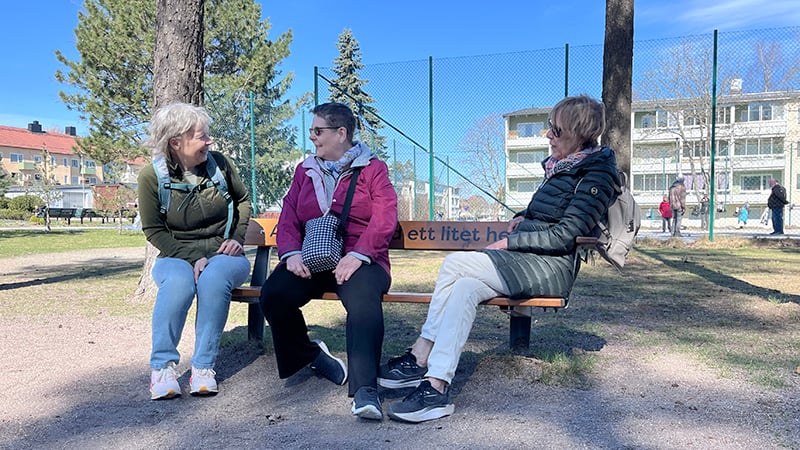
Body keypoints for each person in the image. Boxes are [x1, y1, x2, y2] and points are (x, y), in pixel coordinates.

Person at [378, 95, 619, 423]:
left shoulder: (596, 175)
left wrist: (510, 241)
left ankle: (420, 354)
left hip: (551, 268)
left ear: (579, 134)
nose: (548, 134)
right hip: (530, 261)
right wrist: (524, 215)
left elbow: (566, 234)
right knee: (463, 288)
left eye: (557, 130)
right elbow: (549, 213)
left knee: (455, 264)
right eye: (550, 127)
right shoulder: (564, 167)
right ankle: (436, 386)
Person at [259, 102, 398, 420]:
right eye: (311, 131)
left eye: (318, 131)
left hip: (361, 259)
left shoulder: (373, 169)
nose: (312, 137)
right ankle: (310, 356)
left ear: (341, 133)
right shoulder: (304, 170)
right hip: (312, 255)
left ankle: (365, 390)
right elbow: (289, 215)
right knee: (274, 295)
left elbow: (385, 216)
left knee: (363, 301)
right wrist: (291, 253)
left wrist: (359, 255)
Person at [137, 103, 252, 400]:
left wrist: (236, 239)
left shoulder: (219, 165)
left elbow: (242, 200)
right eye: (202, 137)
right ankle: (162, 369)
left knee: (213, 279)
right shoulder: (151, 177)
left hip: (224, 254)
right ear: (176, 142)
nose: (209, 142)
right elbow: (154, 230)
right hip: (176, 256)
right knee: (178, 283)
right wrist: (192, 258)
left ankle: (203, 368)